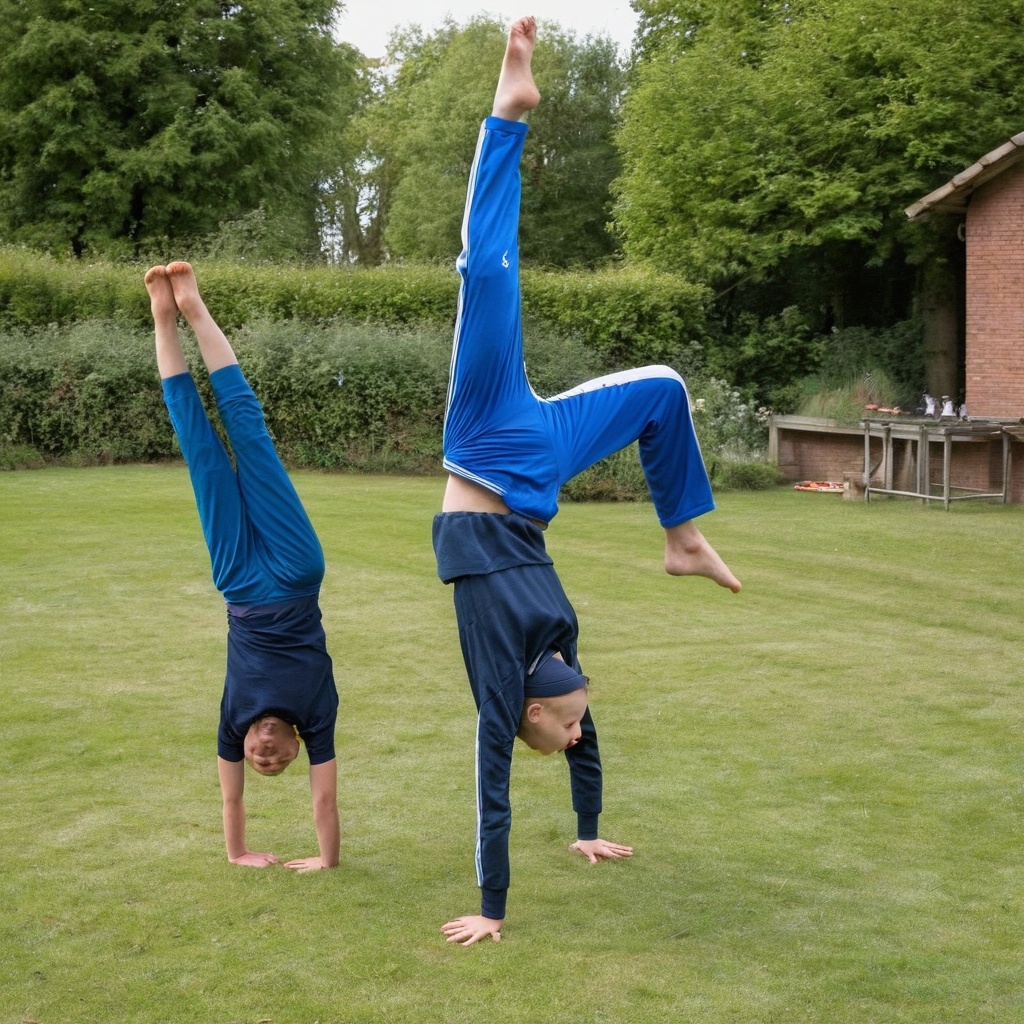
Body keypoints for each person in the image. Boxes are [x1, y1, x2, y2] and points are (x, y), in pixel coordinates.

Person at [433, 17, 741, 947]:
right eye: (578, 726)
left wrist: (492, 911)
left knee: (486, 274)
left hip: (484, 439)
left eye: (565, 730)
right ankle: (683, 539)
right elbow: (583, 722)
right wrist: (590, 826)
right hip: (536, 471)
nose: (578, 731)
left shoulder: (502, 686)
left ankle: (507, 113)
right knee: (665, 389)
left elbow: (492, 788)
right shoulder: (559, 646)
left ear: (531, 715)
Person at [146, 261, 340, 873]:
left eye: (260, 761)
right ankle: (194, 306)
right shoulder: (318, 717)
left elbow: (230, 798)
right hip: (297, 573)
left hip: (239, 584)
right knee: (251, 435)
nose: (264, 756)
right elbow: (326, 798)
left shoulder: (233, 724)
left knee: (199, 449)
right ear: (296, 745)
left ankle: (163, 316)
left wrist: (238, 852)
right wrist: (328, 860)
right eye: (277, 760)